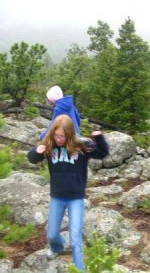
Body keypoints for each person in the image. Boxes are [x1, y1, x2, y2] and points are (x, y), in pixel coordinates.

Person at [28, 114, 109, 271]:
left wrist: (99, 138)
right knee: (51, 235)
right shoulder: (50, 145)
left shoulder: (81, 146)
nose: (59, 139)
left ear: (70, 134)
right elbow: (32, 159)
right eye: (57, 135)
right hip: (57, 196)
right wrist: (37, 151)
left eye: (62, 136)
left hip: (76, 198)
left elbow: (102, 153)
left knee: (75, 239)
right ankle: (57, 248)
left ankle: (79, 269)